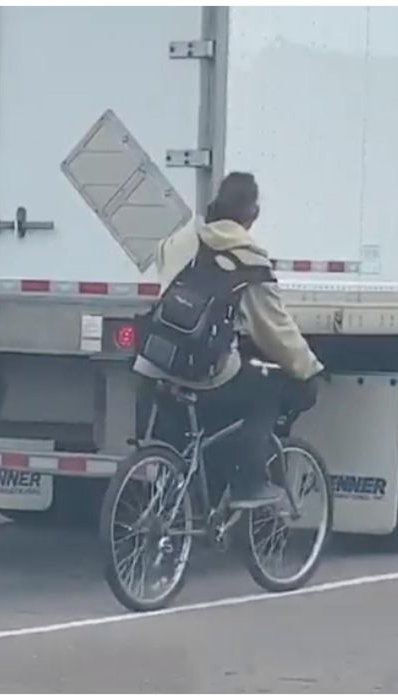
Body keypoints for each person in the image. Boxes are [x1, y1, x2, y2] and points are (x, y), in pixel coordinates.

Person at [132, 172, 325, 507]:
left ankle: (176, 505)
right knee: (265, 391)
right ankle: (248, 482)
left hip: (154, 365)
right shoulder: (249, 259)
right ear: (254, 214)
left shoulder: (180, 241)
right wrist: (308, 369)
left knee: (181, 429)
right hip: (202, 373)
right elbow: (275, 330)